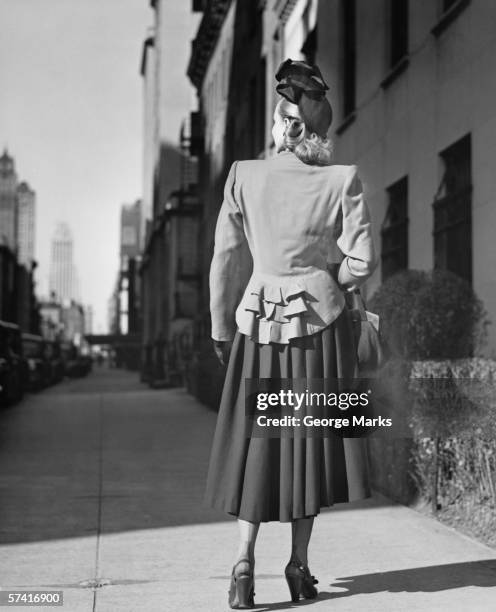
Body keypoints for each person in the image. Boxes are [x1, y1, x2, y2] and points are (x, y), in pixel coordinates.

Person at [204, 58, 377, 609]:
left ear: (279, 127)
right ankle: (299, 567)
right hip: (321, 328)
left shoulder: (242, 176)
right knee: (308, 444)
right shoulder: (342, 180)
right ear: (315, 130)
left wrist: (218, 325)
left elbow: (225, 258)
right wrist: (330, 273)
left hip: (256, 326)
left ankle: (242, 563)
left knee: (259, 443)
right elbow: (362, 263)